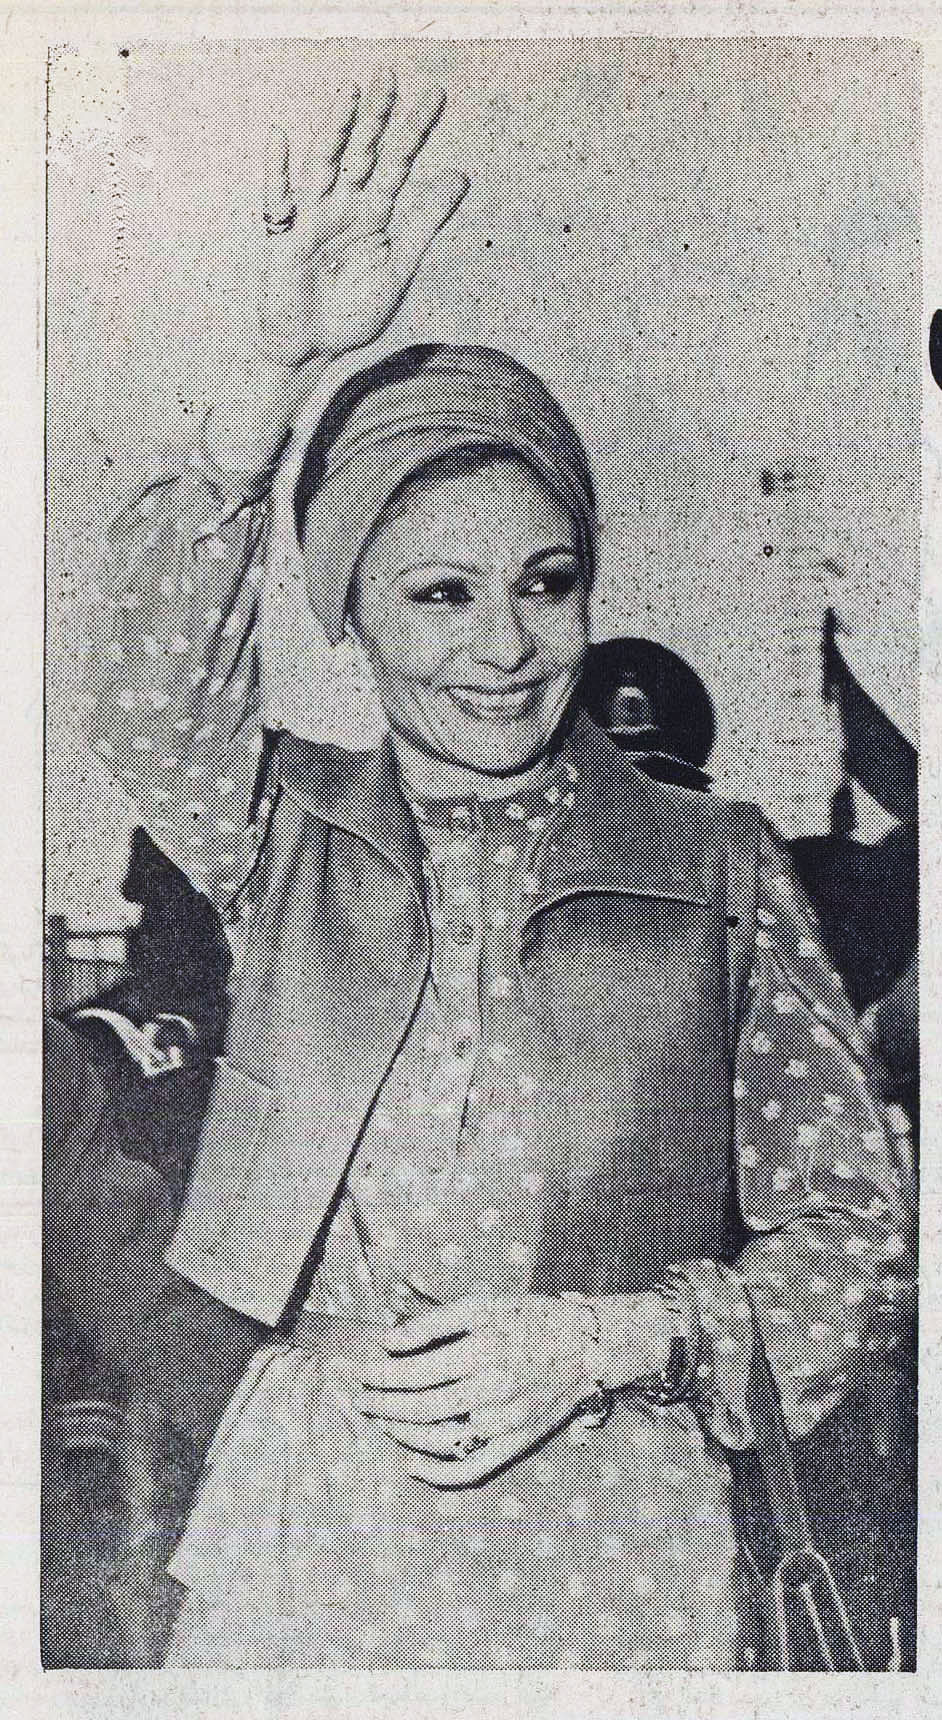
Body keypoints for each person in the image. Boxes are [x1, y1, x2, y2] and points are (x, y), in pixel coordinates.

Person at [75, 68, 914, 1670]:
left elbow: (854, 1240)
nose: (506, 646)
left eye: (545, 582)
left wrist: (610, 1342)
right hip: (323, 1522)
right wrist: (274, 368)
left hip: (619, 1539)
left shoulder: (716, 866)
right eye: (439, 595)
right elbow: (141, 686)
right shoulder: (279, 830)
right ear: (350, 614)